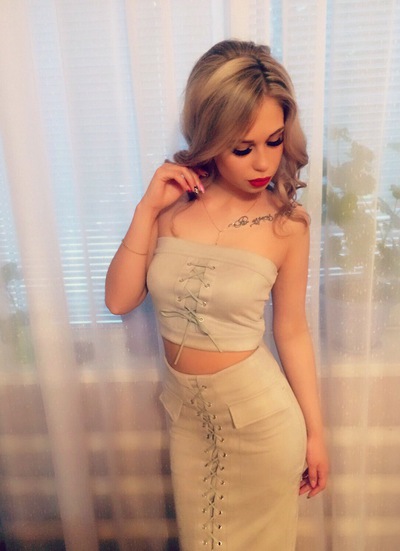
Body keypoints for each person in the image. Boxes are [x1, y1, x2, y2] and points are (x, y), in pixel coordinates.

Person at [106, 39, 328, 551]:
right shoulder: (171, 208)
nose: (263, 162)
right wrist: (146, 209)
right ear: (210, 138)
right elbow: (119, 300)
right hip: (189, 424)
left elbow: (292, 331)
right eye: (242, 148)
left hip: (264, 427)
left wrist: (316, 434)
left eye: (274, 140)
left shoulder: (288, 224)